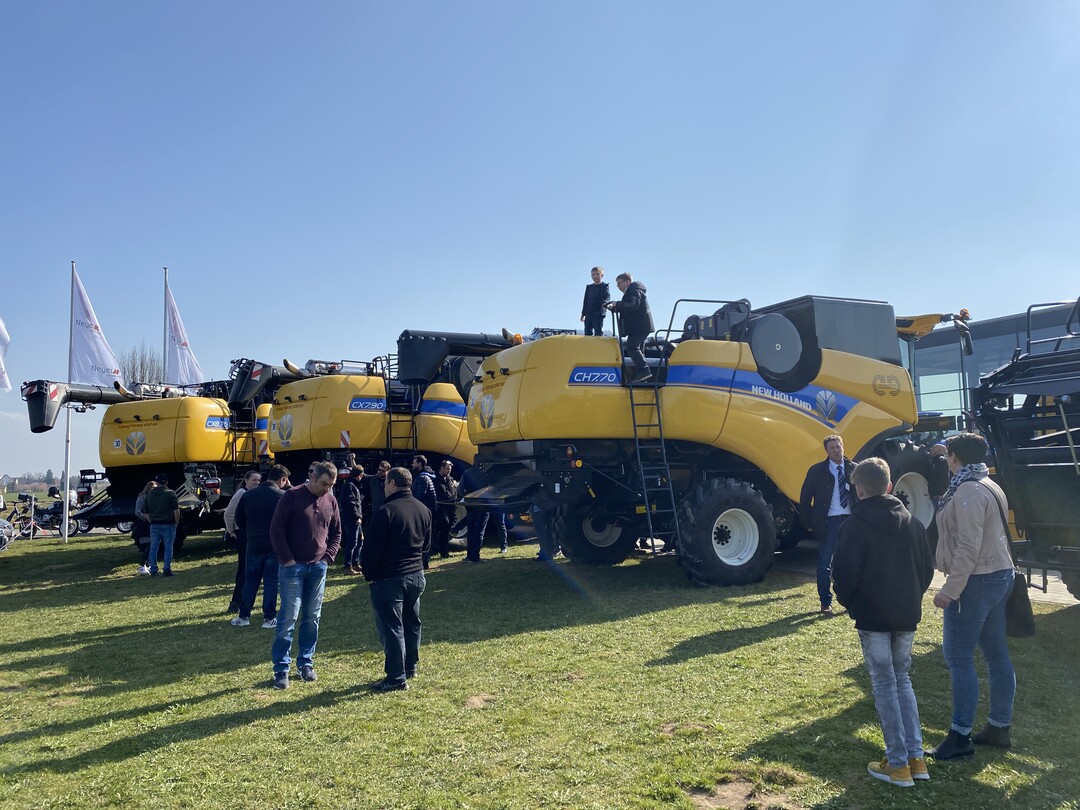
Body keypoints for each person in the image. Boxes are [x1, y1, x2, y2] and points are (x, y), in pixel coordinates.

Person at [833, 458, 935, 788]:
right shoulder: (914, 523)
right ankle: (915, 757)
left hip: (874, 616)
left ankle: (898, 763)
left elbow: (844, 572)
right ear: (890, 486)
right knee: (901, 679)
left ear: (858, 489)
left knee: (884, 683)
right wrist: (911, 597)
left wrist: (852, 603)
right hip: (906, 613)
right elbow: (927, 571)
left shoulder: (854, 525)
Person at [927, 433, 1016, 760]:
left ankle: (961, 734)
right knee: (996, 653)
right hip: (998, 575)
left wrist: (950, 590)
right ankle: (998, 726)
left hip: (976, 581)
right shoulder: (988, 483)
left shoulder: (965, 491)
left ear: (953, 457)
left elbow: (968, 547)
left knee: (958, 657)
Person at [269, 460, 341, 690]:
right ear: (312, 477)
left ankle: (306, 663)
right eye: (324, 484)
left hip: (318, 567)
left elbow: (337, 531)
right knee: (288, 617)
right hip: (293, 567)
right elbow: (276, 528)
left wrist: (328, 557)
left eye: (331, 485)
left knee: (312, 617)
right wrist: (287, 559)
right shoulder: (291, 496)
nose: (327, 488)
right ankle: (281, 668)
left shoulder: (330, 500)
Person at [361, 466, 430, 692]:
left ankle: (396, 677)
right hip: (415, 574)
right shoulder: (423, 509)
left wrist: (369, 575)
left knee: (392, 628)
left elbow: (371, 549)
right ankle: (410, 666)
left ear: (391, 483)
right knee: (412, 622)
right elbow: (426, 546)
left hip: (389, 577)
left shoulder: (386, 511)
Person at [799, 434, 855, 614]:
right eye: (832, 448)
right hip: (828, 522)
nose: (836, 451)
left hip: (850, 521)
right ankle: (825, 602)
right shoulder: (816, 471)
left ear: (843, 447)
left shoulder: (855, 469)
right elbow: (806, 498)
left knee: (851, 563)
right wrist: (806, 522)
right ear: (826, 451)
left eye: (838, 447)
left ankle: (850, 600)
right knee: (824, 564)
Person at [231, 464, 291, 629]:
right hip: (274, 544)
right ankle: (269, 617)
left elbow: (239, 518)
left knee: (251, 581)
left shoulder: (248, 495)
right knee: (271, 582)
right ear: (282, 479)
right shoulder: (283, 496)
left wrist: (249, 533)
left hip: (253, 543)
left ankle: (244, 616)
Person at [604, 272, 654, 383]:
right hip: (639, 326)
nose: (618, 286)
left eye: (619, 283)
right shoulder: (633, 291)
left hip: (639, 327)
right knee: (639, 350)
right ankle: (643, 377)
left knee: (632, 347)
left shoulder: (633, 290)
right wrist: (614, 308)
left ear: (627, 282)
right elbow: (628, 307)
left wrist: (617, 304)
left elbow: (633, 306)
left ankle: (644, 371)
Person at [225, 470, 262, 613]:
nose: (256, 483)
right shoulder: (241, 493)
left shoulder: (252, 494)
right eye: (254, 480)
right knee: (244, 569)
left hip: (248, 534)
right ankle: (236, 602)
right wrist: (232, 531)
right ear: (246, 480)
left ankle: (241, 601)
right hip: (242, 534)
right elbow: (229, 514)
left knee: (245, 569)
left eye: (258, 480)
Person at [143, 472, 179, 577]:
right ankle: (167, 569)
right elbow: (176, 510)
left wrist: (152, 521)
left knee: (154, 547)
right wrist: (176, 521)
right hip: (168, 524)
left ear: (156, 482)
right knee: (168, 547)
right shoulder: (170, 493)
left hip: (154, 524)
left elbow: (146, 513)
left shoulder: (149, 495)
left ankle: (153, 569)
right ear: (167, 482)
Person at [335, 457, 364, 575]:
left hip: (356, 519)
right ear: (360, 475)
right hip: (352, 519)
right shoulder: (350, 486)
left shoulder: (351, 484)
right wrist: (357, 516)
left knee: (359, 541)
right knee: (352, 542)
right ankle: (348, 566)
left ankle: (356, 563)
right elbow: (351, 502)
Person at [410, 455, 438, 567]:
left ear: (420, 464)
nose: (412, 465)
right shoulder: (426, 477)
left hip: (424, 511)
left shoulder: (422, 478)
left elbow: (419, 496)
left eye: (414, 463)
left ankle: (424, 562)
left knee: (424, 537)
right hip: (428, 510)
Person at [432, 459, 459, 559]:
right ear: (442, 468)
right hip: (441, 507)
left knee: (447, 529)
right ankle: (442, 551)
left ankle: (444, 551)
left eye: (450, 469)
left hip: (451, 507)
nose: (449, 471)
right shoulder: (435, 480)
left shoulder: (450, 479)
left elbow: (453, 491)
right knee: (444, 525)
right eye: (447, 469)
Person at [132, 479, 157, 575]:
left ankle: (148, 564)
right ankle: (143, 564)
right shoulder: (142, 497)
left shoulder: (152, 497)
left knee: (153, 544)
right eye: (152, 488)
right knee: (148, 544)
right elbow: (138, 511)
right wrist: (146, 519)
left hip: (151, 523)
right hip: (144, 524)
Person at [580, 265, 611, 336]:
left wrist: (605, 303)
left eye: (597, 274)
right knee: (587, 331)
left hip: (598, 313)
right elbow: (585, 301)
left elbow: (607, 296)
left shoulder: (604, 286)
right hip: (588, 313)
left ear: (602, 275)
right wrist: (583, 314)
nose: (595, 276)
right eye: (593, 275)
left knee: (598, 330)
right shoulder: (589, 287)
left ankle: (599, 345)